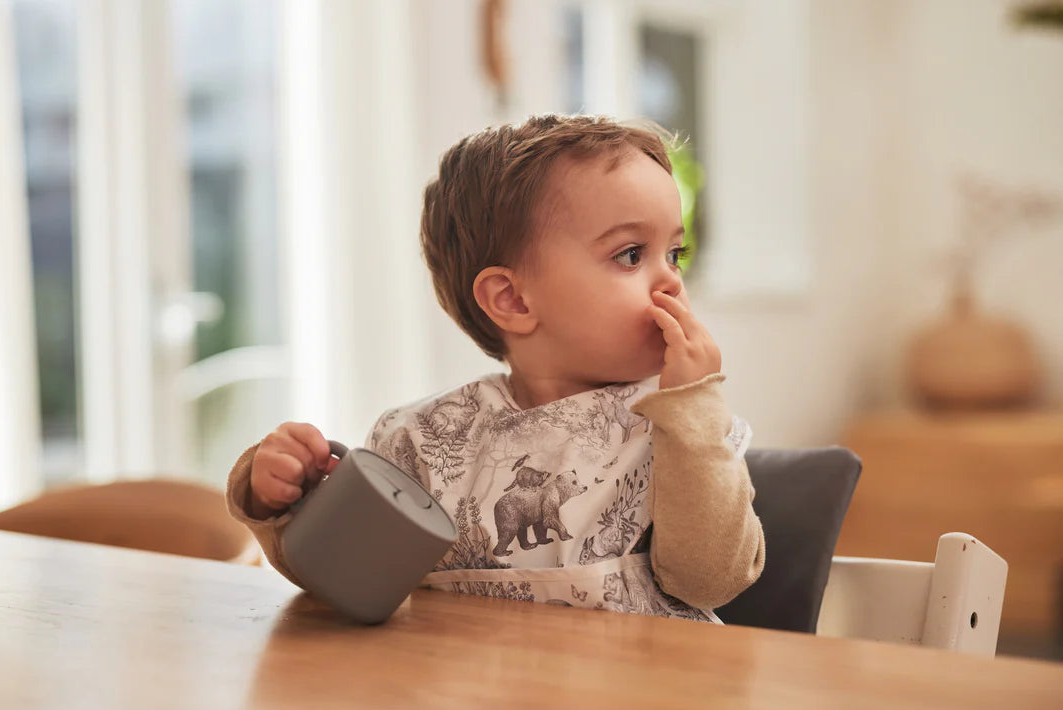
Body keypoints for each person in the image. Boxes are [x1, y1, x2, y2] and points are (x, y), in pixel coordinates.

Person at [227, 114, 764, 622]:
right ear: (511, 300)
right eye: (630, 255)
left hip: (640, 705)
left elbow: (711, 580)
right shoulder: (422, 440)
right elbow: (344, 576)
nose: (671, 282)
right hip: (471, 706)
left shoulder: (680, 426)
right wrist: (278, 501)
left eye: (675, 253)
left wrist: (693, 410)